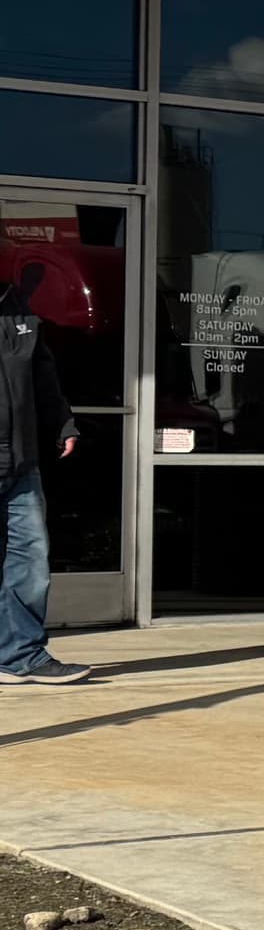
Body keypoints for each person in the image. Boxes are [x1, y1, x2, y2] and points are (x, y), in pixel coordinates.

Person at [0, 257, 88, 685]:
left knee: (30, 559)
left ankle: (20, 656)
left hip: (20, 460)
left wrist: (61, 423)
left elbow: (42, 374)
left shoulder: (16, 307)